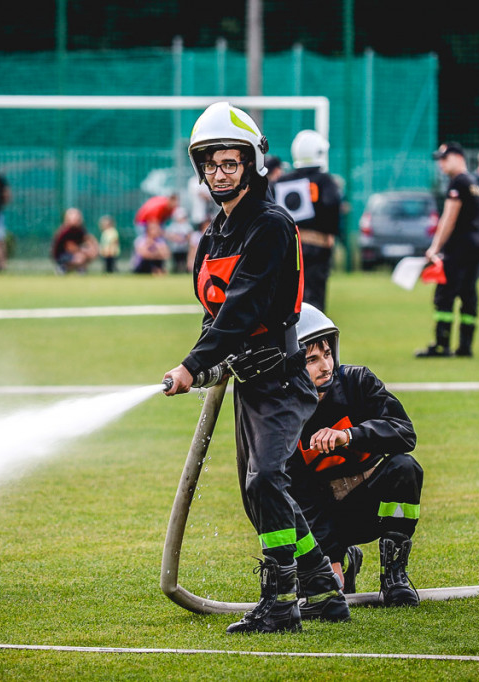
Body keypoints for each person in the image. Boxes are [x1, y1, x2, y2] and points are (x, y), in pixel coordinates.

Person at [162, 101, 346, 634]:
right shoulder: (214, 234)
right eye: (211, 164)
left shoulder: (269, 226)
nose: (220, 173)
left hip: (282, 378)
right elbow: (213, 314)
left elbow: (242, 308)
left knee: (266, 478)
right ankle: (323, 589)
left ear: (251, 164)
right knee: (259, 491)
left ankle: (280, 603)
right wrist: (206, 359)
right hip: (250, 382)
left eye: (230, 163)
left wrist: (194, 365)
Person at [287, 304, 421, 608]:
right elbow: (299, 495)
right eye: (311, 360)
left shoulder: (359, 382)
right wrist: (329, 559)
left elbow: (405, 433)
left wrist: (350, 436)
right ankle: (344, 559)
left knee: (405, 467)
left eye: (327, 354)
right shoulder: (285, 414)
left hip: (368, 507)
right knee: (320, 590)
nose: (325, 366)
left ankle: (394, 576)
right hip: (319, 515)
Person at [417, 142, 479, 358]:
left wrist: (435, 247)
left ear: (458, 157)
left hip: (459, 245)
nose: (441, 164)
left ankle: (441, 345)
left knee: (445, 294)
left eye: (444, 159)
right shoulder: (474, 182)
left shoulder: (458, 183)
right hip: (476, 242)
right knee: (468, 294)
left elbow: (449, 218)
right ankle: (466, 346)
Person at [274, 130, 342, 311]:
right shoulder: (325, 180)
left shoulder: (281, 181)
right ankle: (313, 337)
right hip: (317, 245)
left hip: (287, 246)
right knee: (315, 297)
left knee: (289, 295)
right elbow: (332, 205)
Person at [51, 207, 98, 274]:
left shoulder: (79, 229)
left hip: (73, 253)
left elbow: (88, 238)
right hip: (61, 255)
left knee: (86, 254)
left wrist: (94, 248)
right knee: (80, 257)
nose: (78, 219)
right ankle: (63, 267)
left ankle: (77, 268)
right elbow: (70, 247)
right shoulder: (66, 231)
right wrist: (85, 251)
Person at [165, 207, 194, 273]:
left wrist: (183, 239)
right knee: (176, 262)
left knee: (184, 261)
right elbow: (169, 235)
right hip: (175, 248)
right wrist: (177, 238)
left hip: (185, 248)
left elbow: (190, 235)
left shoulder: (187, 226)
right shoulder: (173, 226)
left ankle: (184, 269)